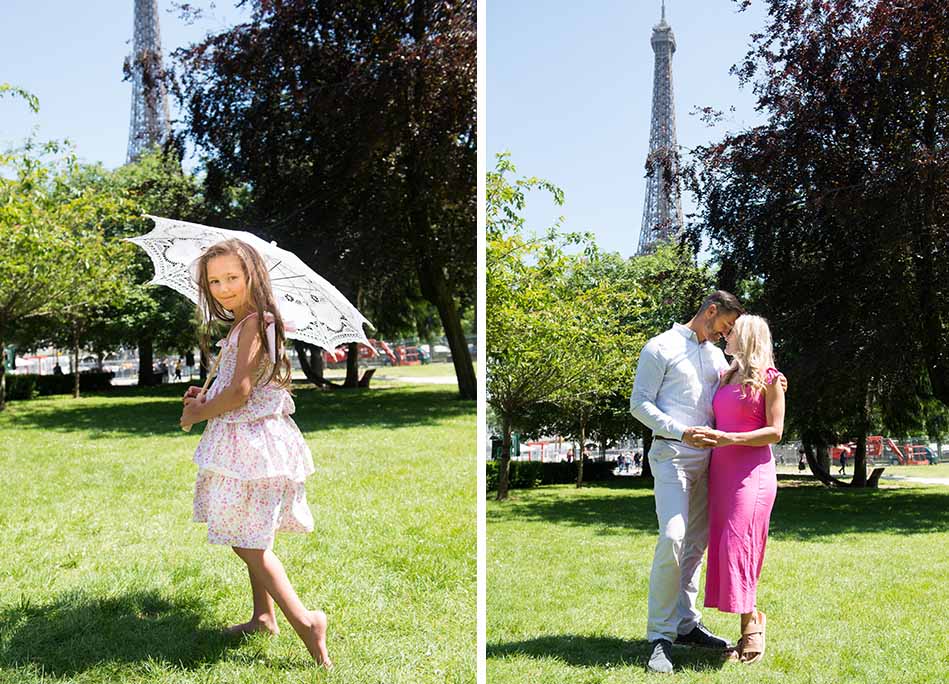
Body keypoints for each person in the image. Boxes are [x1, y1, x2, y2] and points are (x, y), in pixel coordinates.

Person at [179, 238, 331, 668]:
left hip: (251, 444)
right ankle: (263, 616)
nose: (224, 287)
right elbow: (241, 383)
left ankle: (306, 621)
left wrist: (199, 412)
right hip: (254, 441)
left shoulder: (252, 323)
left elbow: (242, 393)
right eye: (215, 280)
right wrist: (206, 395)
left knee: (246, 541)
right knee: (249, 532)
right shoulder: (248, 322)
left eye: (233, 277)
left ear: (253, 276)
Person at [629, 291, 745, 674]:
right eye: (725, 325)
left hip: (710, 460)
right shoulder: (659, 347)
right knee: (674, 538)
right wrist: (681, 432)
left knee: (696, 544)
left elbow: (732, 394)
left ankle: (685, 624)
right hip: (671, 455)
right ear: (711, 312)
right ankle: (659, 638)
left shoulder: (715, 355)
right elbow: (639, 404)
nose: (726, 334)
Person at [694, 315, 785, 665]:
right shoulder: (725, 376)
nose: (726, 335)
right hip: (723, 473)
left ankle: (751, 624)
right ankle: (750, 619)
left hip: (753, 474)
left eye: (732, 332)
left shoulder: (771, 380)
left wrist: (729, 438)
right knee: (724, 547)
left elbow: (775, 432)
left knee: (740, 545)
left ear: (746, 337)